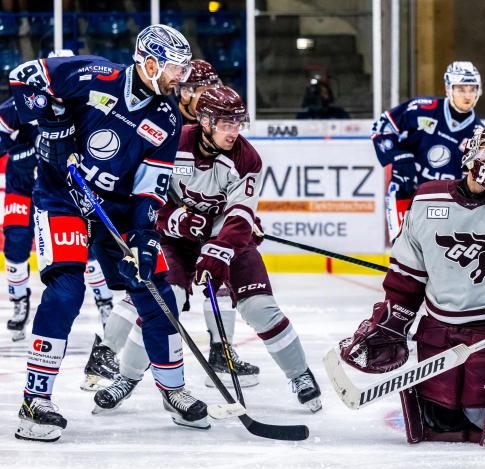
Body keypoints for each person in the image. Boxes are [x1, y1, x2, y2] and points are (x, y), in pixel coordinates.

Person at [12, 24, 209, 442]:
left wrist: (142, 234)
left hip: (114, 210)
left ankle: (173, 390)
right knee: (66, 291)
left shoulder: (166, 117)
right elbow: (25, 76)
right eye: (176, 68)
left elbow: (151, 185)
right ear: (150, 63)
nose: (182, 78)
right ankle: (36, 399)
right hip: (62, 198)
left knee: (156, 290)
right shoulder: (94, 75)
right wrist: (52, 117)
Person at [338, 124, 485, 445]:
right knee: (440, 421)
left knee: (483, 420)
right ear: (470, 149)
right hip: (439, 329)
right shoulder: (427, 199)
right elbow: (407, 273)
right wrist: (393, 321)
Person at [93, 86, 322, 415]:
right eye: (226, 124)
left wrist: (217, 252)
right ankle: (127, 377)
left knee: (260, 308)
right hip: (174, 241)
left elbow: (240, 216)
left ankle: (300, 374)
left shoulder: (247, 158)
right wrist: (175, 218)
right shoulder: (174, 142)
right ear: (205, 121)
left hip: (224, 240)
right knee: (164, 301)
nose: (234, 132)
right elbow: (145, 194)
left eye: (237, 124)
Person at [86, 58, 234, 392]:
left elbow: (215, 177)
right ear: (184, 91)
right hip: (153, 217)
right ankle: (105, 353)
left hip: (181, 220)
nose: (209, 94)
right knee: (148, 284)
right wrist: (177, 209)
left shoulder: (211, 121)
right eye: (201, 89)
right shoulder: (165, 115)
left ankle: (220, 349)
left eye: (211, 87)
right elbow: (156, 178)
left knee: (218, 277)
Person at [0, 50, 115, 346]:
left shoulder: (87, 103)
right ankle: (18, 301)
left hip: (64, 187)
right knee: (14, 241)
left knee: (85, 248)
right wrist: (20, 149)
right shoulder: (22, 102)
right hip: (23, 184)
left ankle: (104, 301)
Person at [371, 61, 483, 242]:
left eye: (472, 89)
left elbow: (470, 185)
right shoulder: (422, 108)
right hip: (405, 193)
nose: (468, 95)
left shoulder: (478, 135)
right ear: (449, 88)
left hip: (443, 205)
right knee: (404, 253)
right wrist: (398, 157)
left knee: (434, 257)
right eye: (461, 89)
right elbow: (381, 126)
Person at [178, 59, 221, 124]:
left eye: (214, 92)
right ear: (185, 93)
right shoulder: (168, 120)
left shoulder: (220, 119)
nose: (212, 99)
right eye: (205, 93)